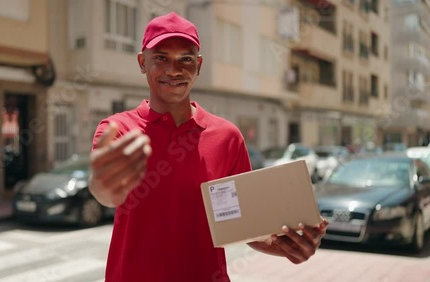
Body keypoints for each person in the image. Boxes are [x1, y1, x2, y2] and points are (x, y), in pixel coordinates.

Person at [89, 12, 328, 282]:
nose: (174, 70)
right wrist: (102, 186)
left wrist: (289, 246)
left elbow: (243, 227)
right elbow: (105, 192)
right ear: (143, 62)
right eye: (161, 58)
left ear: (199, 65)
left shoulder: (227, 137)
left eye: (186, 59)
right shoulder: (118, 129)